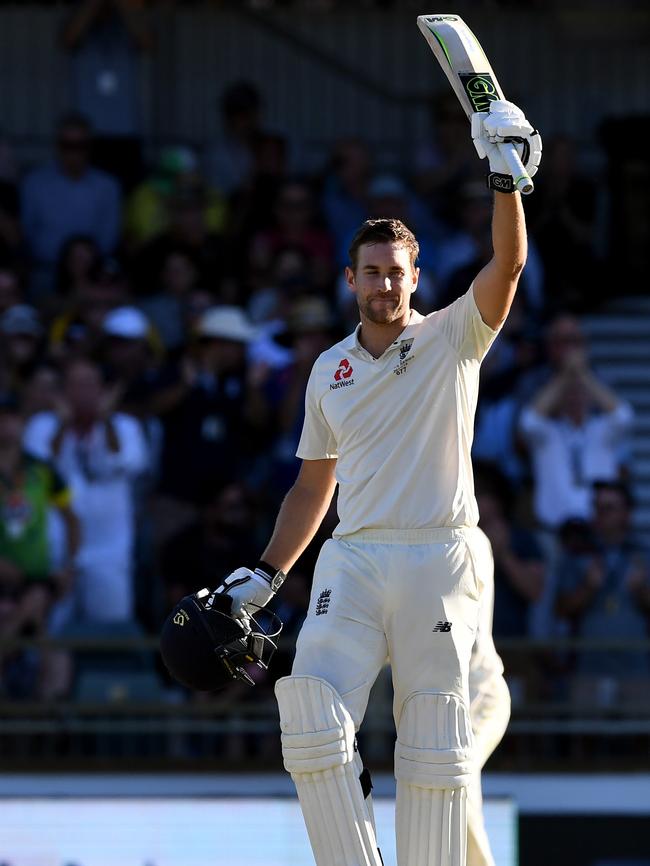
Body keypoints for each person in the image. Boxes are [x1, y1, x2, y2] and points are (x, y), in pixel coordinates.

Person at [209, 97, 541, 866]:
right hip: (353, 557)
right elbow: (310, 487)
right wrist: (265, 574)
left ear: (415, 277)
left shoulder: (453, 335)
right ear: (350, 279)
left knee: (432, 744)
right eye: (372, 274)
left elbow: (509, 263)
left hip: (438, 555)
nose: (385, 285)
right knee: (310, 713)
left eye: (397, 273)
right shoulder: (329, 368)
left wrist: (505, 183)